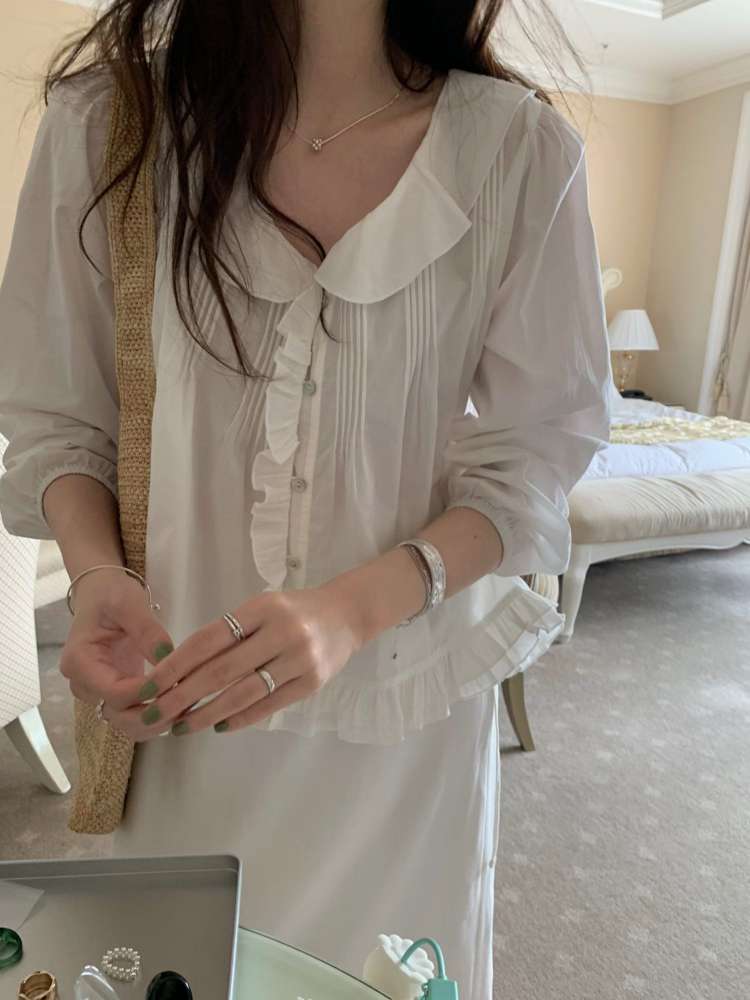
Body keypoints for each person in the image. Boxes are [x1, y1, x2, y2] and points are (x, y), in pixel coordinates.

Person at [0, 1, 612, 995]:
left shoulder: (520, 153)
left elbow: (536, 456)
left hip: (406, 722)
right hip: (184, 711)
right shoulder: (111, 127)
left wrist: (354, 608)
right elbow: (60, 419)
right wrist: (98, 574)